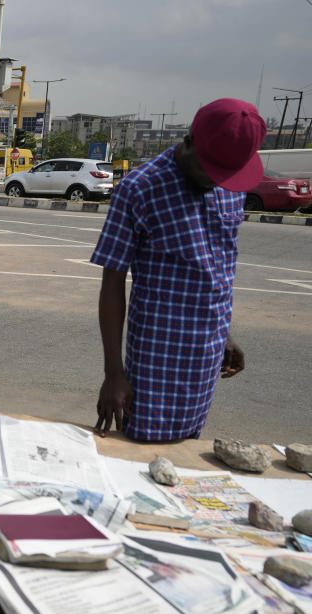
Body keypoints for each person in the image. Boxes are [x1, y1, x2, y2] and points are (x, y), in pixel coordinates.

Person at [91, 98, 265, 441]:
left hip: (207, 355)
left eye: (225, 177)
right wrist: (114, 373)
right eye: (210, 172)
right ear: (189, 143)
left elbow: (217, 267)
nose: (216, 183)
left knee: (186, 449)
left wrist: (224, 333)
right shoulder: (140, 189)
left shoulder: (229, 187)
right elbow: (112, 282)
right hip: (156, 359)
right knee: (142, 452)